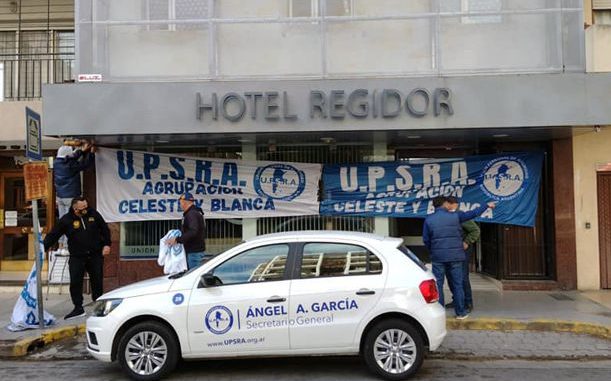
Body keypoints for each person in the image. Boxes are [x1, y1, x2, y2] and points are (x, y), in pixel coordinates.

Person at [422, 196, 495, 320]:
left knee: (438, 284)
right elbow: (473, 213)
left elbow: (426, 240)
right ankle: (460, 312)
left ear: (434, 206)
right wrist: (486, 206)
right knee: (458, 284)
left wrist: (433, 251)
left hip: (438, 258)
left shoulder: (429, 220)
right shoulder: (456, 216)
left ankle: (440, 314)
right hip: (456, 257)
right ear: (445, 203)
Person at [43, 196, 111, 320]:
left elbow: (105, 229)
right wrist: (43, 248)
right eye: (82, 207)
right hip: (77, 257)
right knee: (75, 282)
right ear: (75, 208)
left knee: (97, 281)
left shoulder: (94, 214)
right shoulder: (66, 220)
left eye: (86, 206)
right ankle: (78, 308)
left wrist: (107, 244)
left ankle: (99, 306)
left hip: (95, 255)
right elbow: (54, 234)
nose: (86, 209)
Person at [53, 141, 95, 249]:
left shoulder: (56, 163)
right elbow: (85, 165)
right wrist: (90, 153)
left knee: (62, 222)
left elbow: (72, 157)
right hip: (70, 197)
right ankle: (67, 247)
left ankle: (60, 244)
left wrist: (81, 150)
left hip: (60, 197)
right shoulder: (70, 165)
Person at [444, 196, 481, 313]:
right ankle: (457, 300)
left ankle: (468, 302)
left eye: (445, 204)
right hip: (450, 250)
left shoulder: (461, 216)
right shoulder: (446, 217)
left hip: (462, 250)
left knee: (463, 277)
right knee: (451, 276)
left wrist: (467, 242)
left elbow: (475, 230)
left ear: (450, 204)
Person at [166, 192, 208, 269]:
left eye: (180, 202)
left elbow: (193, 231)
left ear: (185, 202)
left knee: (193, 277)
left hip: (194, 252)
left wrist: (177, 240)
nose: (180, 204)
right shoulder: (194, 212)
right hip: (195, 251)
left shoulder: (191, 214)